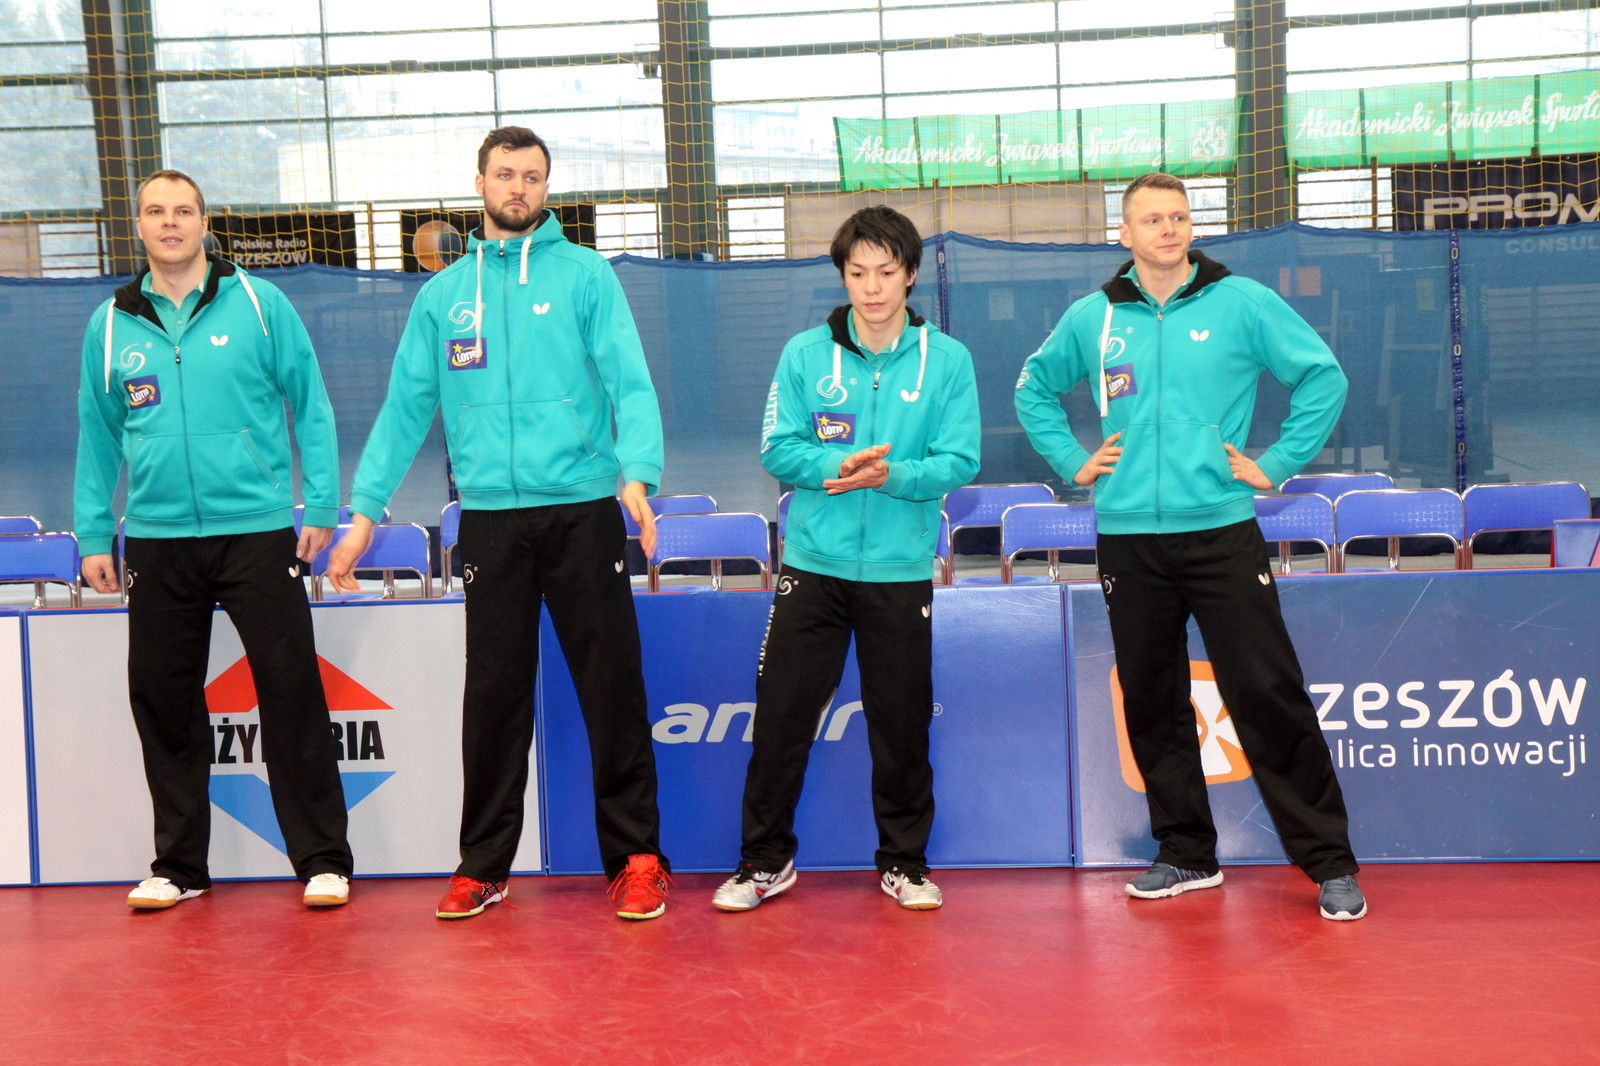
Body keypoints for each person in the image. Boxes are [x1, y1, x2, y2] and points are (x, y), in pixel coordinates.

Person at [327, 127, 671, 921]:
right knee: (493, 701)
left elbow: (631, 381)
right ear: (480, 183)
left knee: (612, 692)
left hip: (582, 512)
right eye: (506, 174)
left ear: (547, 188)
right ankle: (484, 865)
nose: (519, 187)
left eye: (533, 176)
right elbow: (404, 408)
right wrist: (363, 513)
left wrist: (637, 473)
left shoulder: (586, 276)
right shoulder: (445, 297)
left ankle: (637, 859)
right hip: (489, 523)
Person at [1014, 172, 1366, 920]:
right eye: (1151, 219)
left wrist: (1276, 462)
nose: (1167, 229)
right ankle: (1185, 852)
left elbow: (1323, 377)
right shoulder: (1093, 317)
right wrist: (1073, 459)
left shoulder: (1242, 303)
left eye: (1177, 216)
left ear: (1191, 228)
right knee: (1152, 698)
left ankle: (1330, 863)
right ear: (1125, 234)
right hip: (1128, 538)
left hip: (1219, 531)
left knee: (1265, 691)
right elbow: (1032, 387)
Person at [74, 170, 354, 910]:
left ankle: (323, 861)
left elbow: (312, 404)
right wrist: (95, 532)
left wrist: (322, 503)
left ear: (205, 222)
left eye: (183, 211)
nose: (170, 223)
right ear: (138, 225)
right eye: (155, 211)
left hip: (257, 534)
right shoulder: (110, 325)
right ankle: (179, 866)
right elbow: (97, 437)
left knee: (291, 694)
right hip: (158, 542)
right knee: (164, 702)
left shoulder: (260, 304)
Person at [712, 205, 981, 914]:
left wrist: (893, 476)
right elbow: (777, 448)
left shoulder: (948, 360)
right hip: (813, 567)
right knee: (780, 720)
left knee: (901, 728)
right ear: (843, 277)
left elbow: (960, 459)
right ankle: (765, 862)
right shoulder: (805, 355)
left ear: (911, 275)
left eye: (886, 272)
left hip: (899, 571)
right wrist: (839, 465)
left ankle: (905, 864)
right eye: (858, 273)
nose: (872, 287)